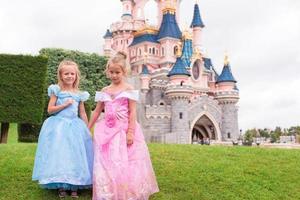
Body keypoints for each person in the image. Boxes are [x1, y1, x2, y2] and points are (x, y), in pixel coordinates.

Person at [88, 52, 159, 200]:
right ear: (108, 71)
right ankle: (108, 190)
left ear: (124, 71)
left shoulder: (128, 90)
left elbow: (133, 112)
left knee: (124, 160)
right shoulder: (104, 91)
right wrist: (88, 127)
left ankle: (127, 190)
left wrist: (131, 132)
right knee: (106, 161)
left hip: (123, 129)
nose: (114, 75)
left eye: (117, 72)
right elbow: (96, 111)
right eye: (111, 72)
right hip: (107, 130)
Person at [32, 60, 93, 198]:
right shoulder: (56, 90)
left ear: (76, 75)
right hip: (59, 127)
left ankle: (75, 185)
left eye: (72, 73)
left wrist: (87, 128)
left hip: (75, 126)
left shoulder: (79, 94)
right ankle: (61, 185)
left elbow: (82, 112)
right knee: (61, 155)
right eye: (66, 73)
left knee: (76, 155)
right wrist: (64, 104)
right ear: (61, 75)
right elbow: (50, 110)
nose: (70, 76)